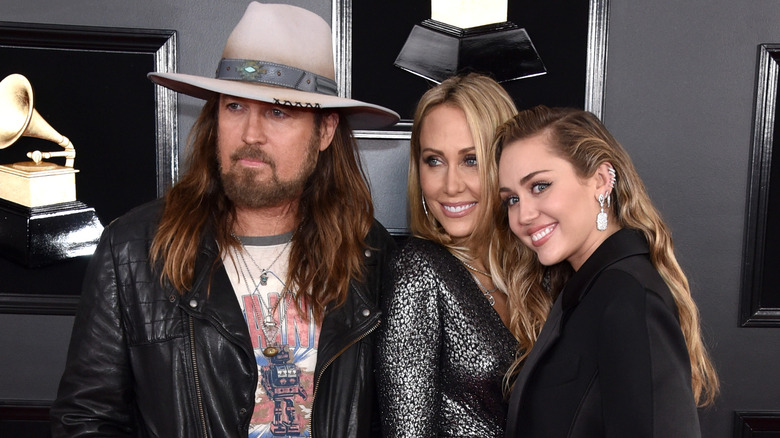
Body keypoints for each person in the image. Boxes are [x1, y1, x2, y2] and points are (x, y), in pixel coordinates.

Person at [50, 3, 400, 437]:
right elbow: (85, 419)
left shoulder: (370, 254)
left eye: (277, 112)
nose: (251, 134)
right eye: (235, 107)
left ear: (325, 131)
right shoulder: (134, 250)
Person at [495, 105, 719, 437]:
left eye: (540, 186)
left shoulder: (628, 297)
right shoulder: (585, 289)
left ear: (600, 180)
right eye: (511, 199)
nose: (523, 215)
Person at [376, 73, 550, 437]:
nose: (451, 185)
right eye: (434, 161)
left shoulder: (537, 272)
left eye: (471, 160)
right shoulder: (418, 269)